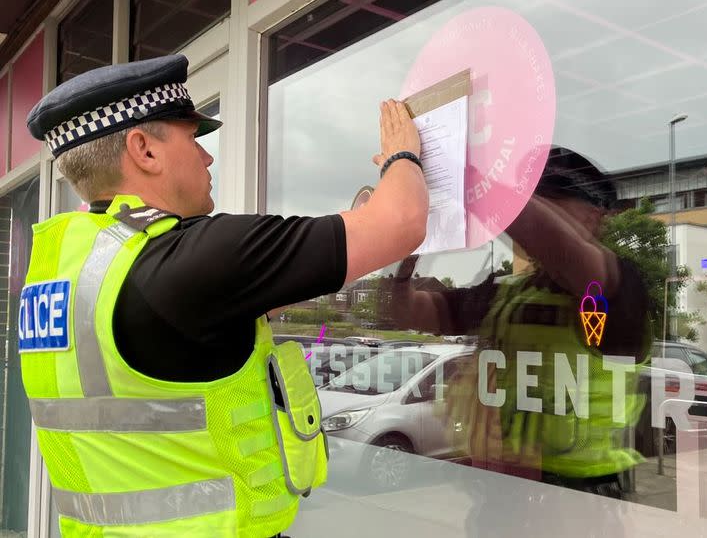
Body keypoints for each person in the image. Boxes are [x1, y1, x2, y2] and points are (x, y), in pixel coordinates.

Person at [19, 54, 427, 537]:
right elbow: (401, 222)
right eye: (194, 138)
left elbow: (231, 307)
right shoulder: (195, 259)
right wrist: (403, 155)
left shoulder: (64, 276)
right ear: (144, 150)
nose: (207, 157)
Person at [384, 147, 653, 534]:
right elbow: (410, 312)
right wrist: (404, 260)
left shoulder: (616, 283)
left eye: (550, 202)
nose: (526, 214)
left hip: (580, 497)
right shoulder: (505, 290)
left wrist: (476, 179)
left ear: (594, 216)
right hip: (502, 490)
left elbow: (558, 246)